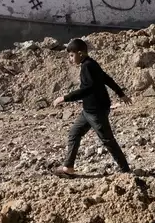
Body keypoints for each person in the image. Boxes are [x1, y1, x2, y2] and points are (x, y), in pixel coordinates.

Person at [51, 39, 132, 177]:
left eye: (71, 55)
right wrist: (121, 94)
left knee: (107, 140)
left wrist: (65, 98)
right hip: (88, 110)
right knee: (74, 134)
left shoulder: (87, 66)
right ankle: (68, 168)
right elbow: (106, 78)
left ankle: (126, 170)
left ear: (80, 53)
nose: (70, 59)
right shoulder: (91, 64)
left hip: (96, 111)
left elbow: (87, 89)